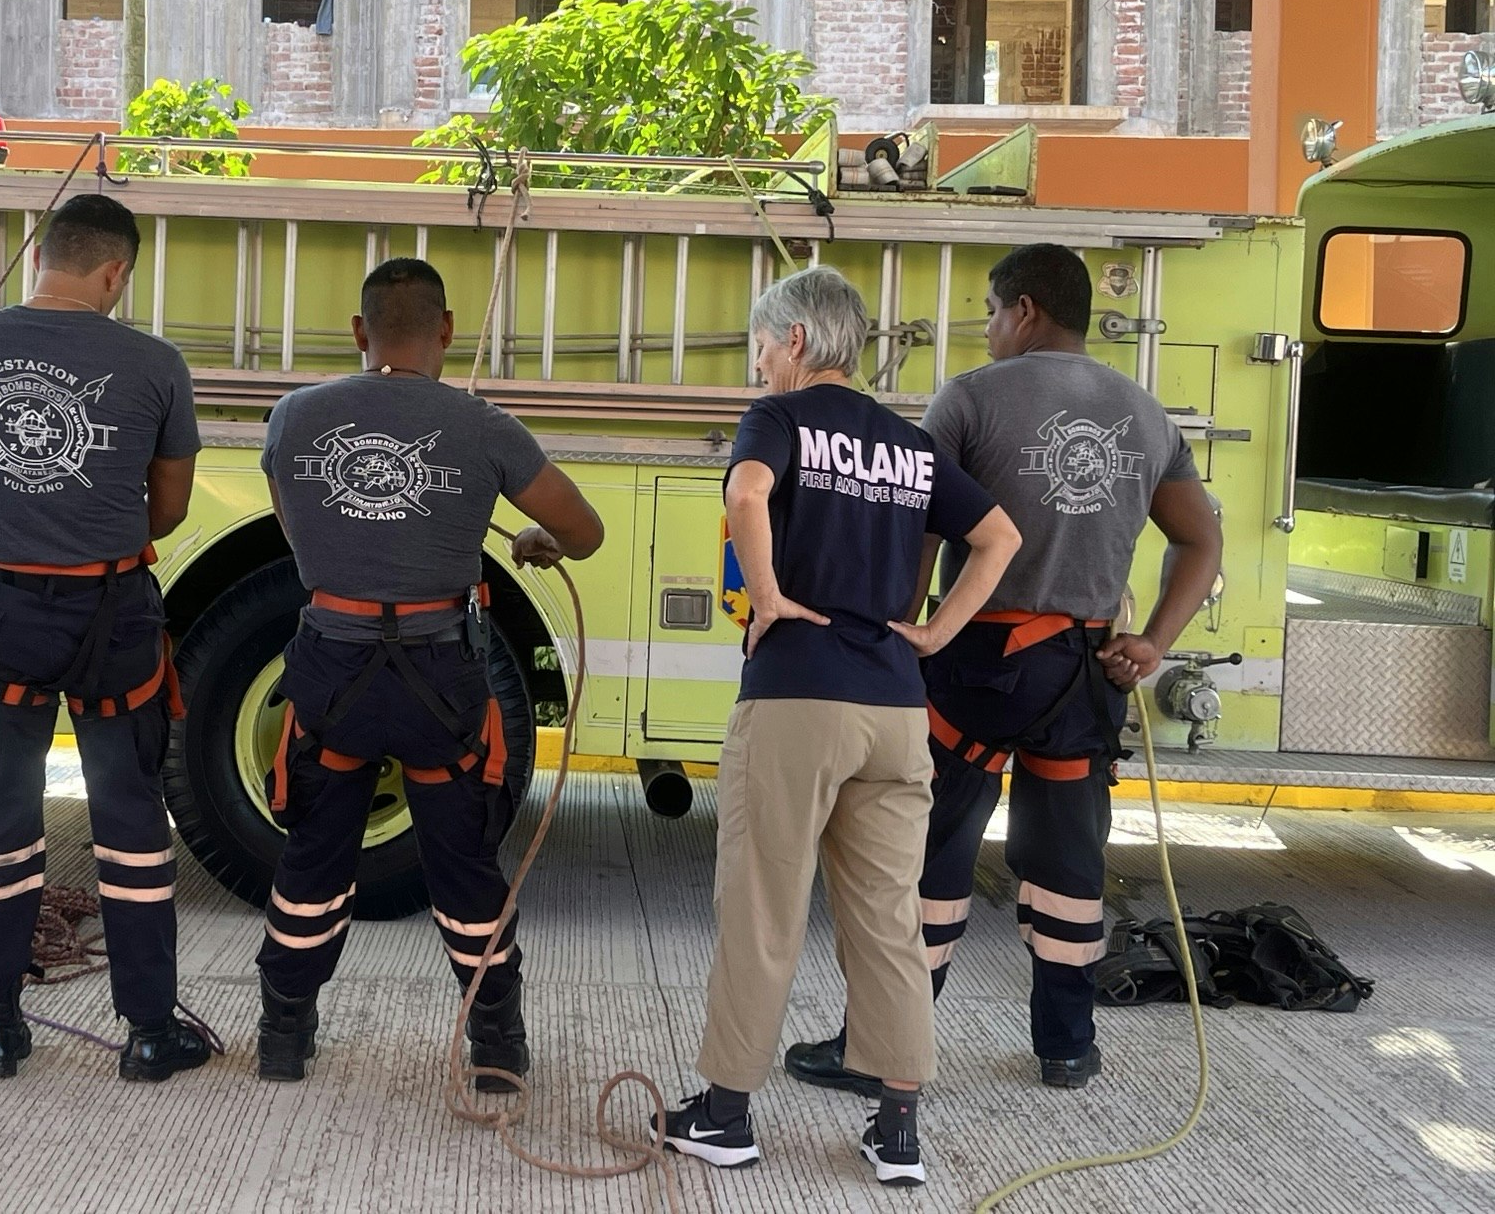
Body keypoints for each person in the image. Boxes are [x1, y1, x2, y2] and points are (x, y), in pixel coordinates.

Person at [786, 243, 1222, 1096]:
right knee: (1069, 868)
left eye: (990, 312)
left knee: (925, 857)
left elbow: (920, 531)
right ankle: (1066, 1048)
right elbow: (1201, 540)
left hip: (976, 666)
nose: (986, 331)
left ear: (1024, 309)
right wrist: (1157, 642)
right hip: (1088, 675)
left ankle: (879, 1046)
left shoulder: (971, 399)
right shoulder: (1146, 413)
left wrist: (899, 638)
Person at [663, 265, 1020, 1188]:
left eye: (759, 345)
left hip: (798, 700)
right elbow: (999, 539)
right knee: (888, 919)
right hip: (896, 709)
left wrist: (773, 596)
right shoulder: (908, 444)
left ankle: (727, 1115)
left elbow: (746, 495)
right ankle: (897, 1128)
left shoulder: (779, 421)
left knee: (762, 907)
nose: (757, 364)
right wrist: (936, 632)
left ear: (792, 341)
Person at [254, 257, 604, 1088]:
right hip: (437, 676)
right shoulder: (484, 427)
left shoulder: (294, 417)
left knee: (313, 857)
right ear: (446, 330)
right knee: (462, 863)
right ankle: (496, 1049)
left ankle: (282, 1035)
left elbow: (293, 520)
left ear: (358, 331)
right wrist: (534, 542)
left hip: (330, 671)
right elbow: (582, 531)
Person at [0, 193, 209, 1084]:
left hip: (4, 613)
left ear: (41, 253)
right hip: (115, 614)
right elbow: (171, 507)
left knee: (0, 817)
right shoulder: (155, 364)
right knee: (130, 822)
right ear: (115, 270)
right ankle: (150, 1031)